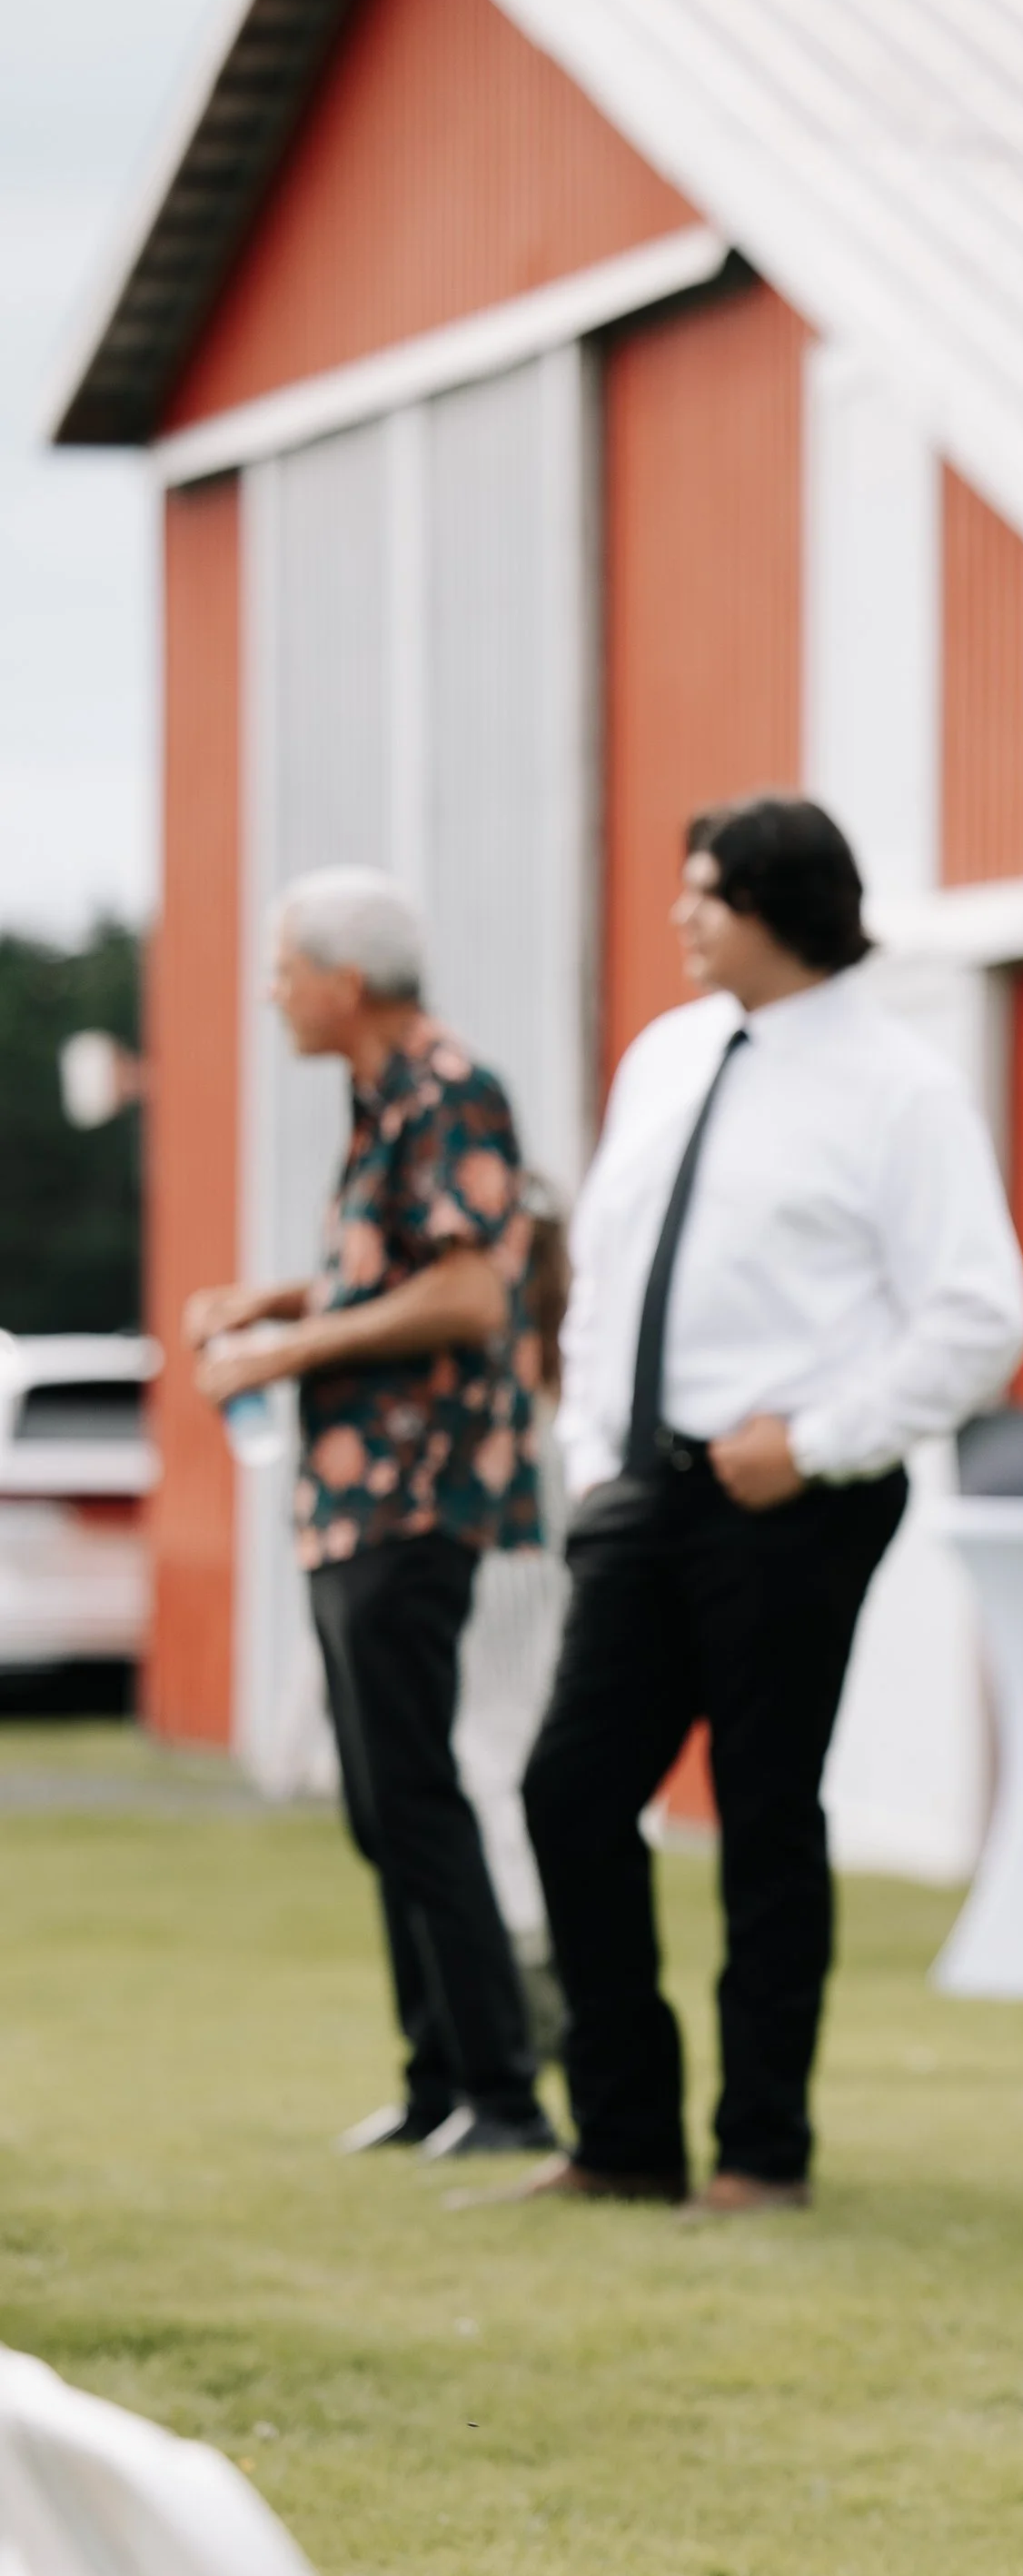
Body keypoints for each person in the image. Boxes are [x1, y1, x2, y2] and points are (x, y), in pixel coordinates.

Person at [512, 793, 1023, 2217]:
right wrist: (593, 1450)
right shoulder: (665, 1057)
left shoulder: (900, 1088)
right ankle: (618, 2139)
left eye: (706, 894)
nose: (680, 915)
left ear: (780, 910)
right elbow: (610, 1278)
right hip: (639, 1484)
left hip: (795, 1503)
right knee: (569, 1791)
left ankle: (759, 2155)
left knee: (762, 1812)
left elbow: (982, 1316)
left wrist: (814, 1439)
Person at [186, 867, 557, 2163]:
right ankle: (437, 2083)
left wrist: (279, 1357)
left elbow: (466, 1296)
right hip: (350, 1498)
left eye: (285, 967)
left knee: (415, 1792)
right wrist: (278, 1304)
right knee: (378, 1801)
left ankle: (504, 2094)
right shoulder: (380, 1101)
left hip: (417, 1494)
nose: (272, 990)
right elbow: (389, 1274)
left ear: (346, 982)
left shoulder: (453, 1089)